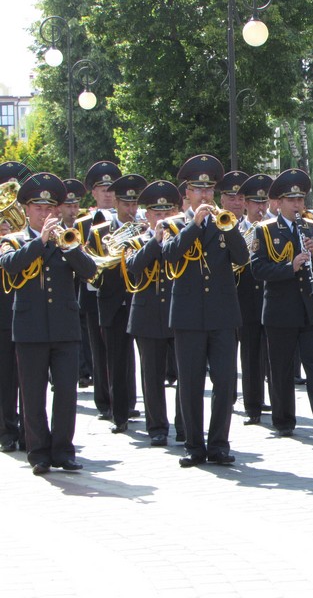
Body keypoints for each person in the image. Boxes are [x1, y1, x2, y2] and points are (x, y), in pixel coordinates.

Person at [0, 173, 97, 475]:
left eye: (49, 208)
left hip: (65, 328)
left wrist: (69, 249)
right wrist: (40, 242)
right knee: (32, 393)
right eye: (38, 208)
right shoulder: (12, 240)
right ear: (26, 210)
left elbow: (90, 271)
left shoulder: (68, 239)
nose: (45, 214)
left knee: (66, 393)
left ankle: (63, 451)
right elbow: (10, 265)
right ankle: (39, 452)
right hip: (29, 329)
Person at [163, 154, 249, 467]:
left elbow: (241, 257)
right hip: (188, 316)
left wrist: (226, 228)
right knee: (190, 383)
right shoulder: (173, 224)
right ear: (186, 193)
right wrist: (194, 225)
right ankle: (194, 445)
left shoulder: (226, 222)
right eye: (198, 190)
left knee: (225, 383)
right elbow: (170, 257)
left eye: (209, 190)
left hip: (223, 315)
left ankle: (219, 444)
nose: (205, 196)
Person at [250, 168, 313, 437]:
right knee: (281, 367)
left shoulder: (309, 226)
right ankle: (283, 420)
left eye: (300, 199)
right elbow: (257, 269)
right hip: (280, 309)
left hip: (309, 306)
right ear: (278, 203)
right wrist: (289, 267)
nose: (297, 205)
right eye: (291, 200)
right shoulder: (264, 230)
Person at [125, 180, 184, 446]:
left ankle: (185, 425)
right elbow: (134, 267)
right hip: (147, 316)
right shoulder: (135, 241)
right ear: (147, 215)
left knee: (186, 372)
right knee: (152, 376)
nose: (162, 219)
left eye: (167, 213)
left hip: (178, 313)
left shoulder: (184, 241)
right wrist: (156, 242)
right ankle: (157, 427)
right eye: (157, 214)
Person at [90, 173, 147, 434]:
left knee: (148, 361)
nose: (131, 210)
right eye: (126, 204)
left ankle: (154, 414)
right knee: (116, 361)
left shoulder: (146, 228)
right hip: (113, 303)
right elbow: (92, 273)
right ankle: (119, 414)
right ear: (116, 202)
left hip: (142, 301)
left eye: (134, 204)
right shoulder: (101, 231)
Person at [82, 160, 121, 420]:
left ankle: (124, 401)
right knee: (99, 348)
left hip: (121, 291)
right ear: (93, 193)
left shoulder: (130, 219)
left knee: (121, 352)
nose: (107, 193)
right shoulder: (83, 223)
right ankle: (103, 401)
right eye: (102, 188)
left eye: (111, 188)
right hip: (92, 293)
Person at [236, 173, 273, 425]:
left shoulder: (273, 227)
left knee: (272, 353)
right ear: (245, 204)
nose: (260, 208)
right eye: (255, 203)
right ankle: (252, 405)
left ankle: (274, 400)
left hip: (272, 296)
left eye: (264, 203)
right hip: (246, 298)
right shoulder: (235, 229)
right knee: (250, 352)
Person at [0, 161, 30, 454]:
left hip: (25, 311)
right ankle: (7, 430)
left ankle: (27, 430)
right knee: (6, 376)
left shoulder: (22, 231)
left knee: (28, 379)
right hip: (2, 313)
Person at [61, 179, 94, 388]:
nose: (73, 210)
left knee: (83, 325)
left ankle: (84, 369)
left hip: (81, 281)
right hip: (64, 283)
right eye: (69, 206)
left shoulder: (86, 226)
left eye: (75, 206)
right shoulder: (56, 228)